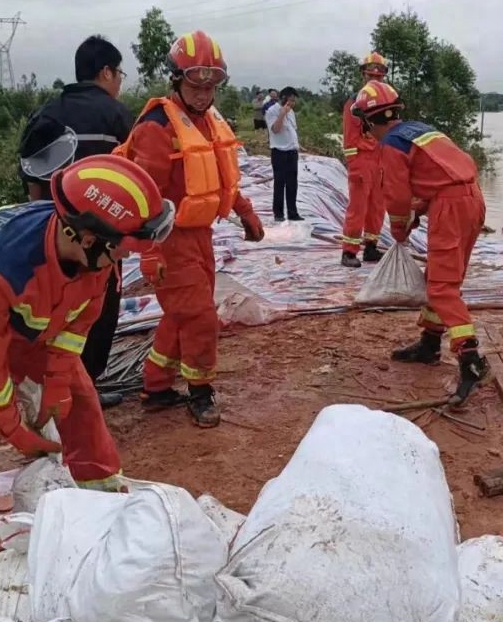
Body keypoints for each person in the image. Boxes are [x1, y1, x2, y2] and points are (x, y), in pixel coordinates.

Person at [0, 154, 174, 622]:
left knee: (81, 403)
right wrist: (16, 431)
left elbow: (74, 330)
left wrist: (56, 383)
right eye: (125, 246)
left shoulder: (97, 260)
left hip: (31, 321)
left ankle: (104, 509)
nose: (128, 257)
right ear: (88, 236)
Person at [117, 30, 265, 426]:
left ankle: (157, 384)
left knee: (180, 314)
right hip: (167, 238)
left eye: (212, 85)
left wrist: (246, 212)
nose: (203, 93)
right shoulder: (156, 127)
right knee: (200, 316)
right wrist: (150, 251)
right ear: (177, 79)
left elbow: (219, 176)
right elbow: (143, 194)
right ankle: (200, 392)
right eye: (195, 84)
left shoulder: (209, 121)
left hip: (200, 235)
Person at [351, 81, 490, 405]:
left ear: (369, 122)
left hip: (451, 207)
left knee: (442, 288)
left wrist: (399, 231)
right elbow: (442, 176)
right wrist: (423, 210)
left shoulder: (391, 145)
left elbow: (397, 198)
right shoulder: (419, 131)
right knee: (441, 278)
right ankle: (429, 342)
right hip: (471, 199)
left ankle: (470, 359)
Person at [17, 35, 135, 408]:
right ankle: (85, 390)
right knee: (98, 313)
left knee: (54, 312)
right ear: (106, 72)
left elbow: (32, 181)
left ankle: (49, 390)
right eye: (120, 73)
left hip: (53, 238)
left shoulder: (47, 113)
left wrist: (41, 229)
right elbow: (135, 181)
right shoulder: (118, 117)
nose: (119, 82)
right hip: (103, 241)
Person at [339, 52, 388, 268]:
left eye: (378, 77)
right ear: (364, 76)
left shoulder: (386, 101)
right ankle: (349, 252)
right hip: (362, 159)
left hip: (380, 159)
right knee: (358, 207)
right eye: (371, 76)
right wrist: (355, 164)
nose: (375, 79)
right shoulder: (355, 102)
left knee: (378, 206)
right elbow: (350, 137)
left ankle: (370, 247)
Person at [265, 86, 305, 221]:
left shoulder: (292, 112)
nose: (293, 103)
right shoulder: (271, 111)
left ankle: (292, 213)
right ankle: (279, 214)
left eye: (294, 101)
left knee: (292, 183)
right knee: (279, 183)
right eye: (291, 100)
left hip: (292, 152)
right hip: (279, 152)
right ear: (283, 99)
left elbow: (292, 130)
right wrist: (282, 113)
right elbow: (275, 130)